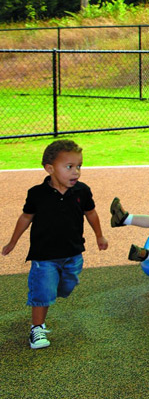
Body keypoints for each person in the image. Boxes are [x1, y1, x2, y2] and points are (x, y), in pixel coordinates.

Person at [2, 140, 108, 350]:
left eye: (79, 166)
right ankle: (37, 328)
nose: (76, 172)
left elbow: (91, 213)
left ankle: (51, 290)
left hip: (73, 253)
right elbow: (26, 217)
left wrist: (100, 236)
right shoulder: (37, 194)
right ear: (50, 168)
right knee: (43, 291)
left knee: (67, 285)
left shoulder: (82, 191)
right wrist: (13, 241)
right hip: (44, 255)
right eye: (69, 167)